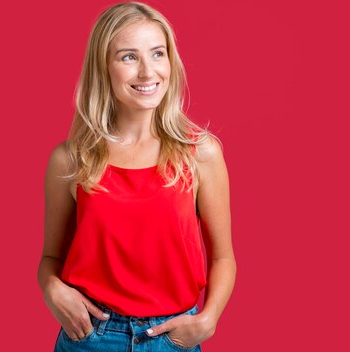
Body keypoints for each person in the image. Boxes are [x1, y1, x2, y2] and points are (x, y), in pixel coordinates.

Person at [37, 2, 236, 351]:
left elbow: (222, 257)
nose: (148, 71)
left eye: (157, 54)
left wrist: (209, 318)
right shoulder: (71, 159)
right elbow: (51, 258)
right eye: (129, 57)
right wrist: (52, 288)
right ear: (104, 68)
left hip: (172, 339)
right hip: (91, 337)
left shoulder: (200, 154)